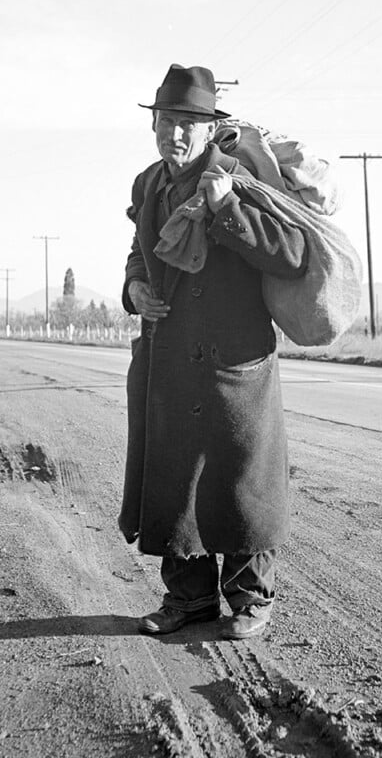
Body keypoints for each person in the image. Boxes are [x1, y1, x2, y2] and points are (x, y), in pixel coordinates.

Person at [118, 64, 308, 639]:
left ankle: (251, 598)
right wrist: (135, 289)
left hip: (236, 360)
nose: (174, 135)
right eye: (165, 121)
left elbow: (292, 253)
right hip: (170, 355)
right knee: (175, 476)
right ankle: (190, 599)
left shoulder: (240, 177)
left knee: (243, 479)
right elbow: (136, 251)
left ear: (208, 127)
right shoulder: (148, 184)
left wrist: (228, 209)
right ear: (154, 123)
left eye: (186, 124)